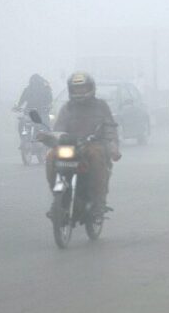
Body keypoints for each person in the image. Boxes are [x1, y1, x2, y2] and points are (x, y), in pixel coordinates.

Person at [44, 72, 121, 214]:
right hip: (70, 146)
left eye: (83, 88)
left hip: (93, 144)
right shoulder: (67, 108)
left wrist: (113, 146)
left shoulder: (101, 106)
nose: (79, 91)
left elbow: (110, 128)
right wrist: (51, 138)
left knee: (96, 155)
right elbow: (58, 128)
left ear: (91, 88)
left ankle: (97, 202)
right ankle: (58, 196)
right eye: (76, 88)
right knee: (51, 156)